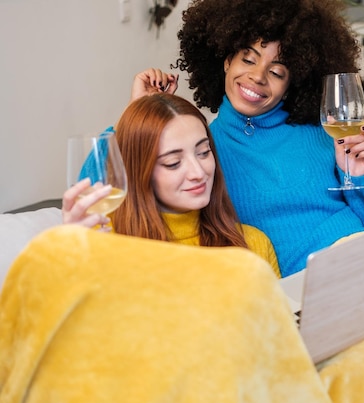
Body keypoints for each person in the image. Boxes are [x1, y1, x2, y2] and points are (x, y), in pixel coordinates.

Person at [127, 0, 364, 277]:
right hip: (309, 287)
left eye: (277, 72)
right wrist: (135, 114)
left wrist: (359, 178)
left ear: (293, 82)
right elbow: (111, 196)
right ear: (227, 60)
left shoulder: (324, 132)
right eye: (248, 59)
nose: (257, 76)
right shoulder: (202, 147)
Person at [62, 93, 281, 277]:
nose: (198, 172)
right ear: (141, 172)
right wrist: (72, 257)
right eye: (173, 163)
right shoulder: (106, 240)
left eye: (204, 152)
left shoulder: (253, 246)